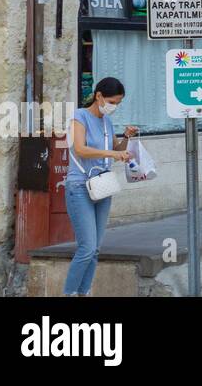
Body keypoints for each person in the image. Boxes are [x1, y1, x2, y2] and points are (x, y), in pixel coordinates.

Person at [64, 77, 138, 296]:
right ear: (98, 96)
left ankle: (83, 292)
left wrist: (125, 138)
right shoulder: (80, 116)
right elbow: (80, 149)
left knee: (95, 249)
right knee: (86, 248)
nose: (114, 106)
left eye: (118, 103)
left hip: (102, 186)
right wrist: (113, 153)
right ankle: (69, 293)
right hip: (79, 186)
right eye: (113, 102)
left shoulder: (106, 121)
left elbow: (115, 148)